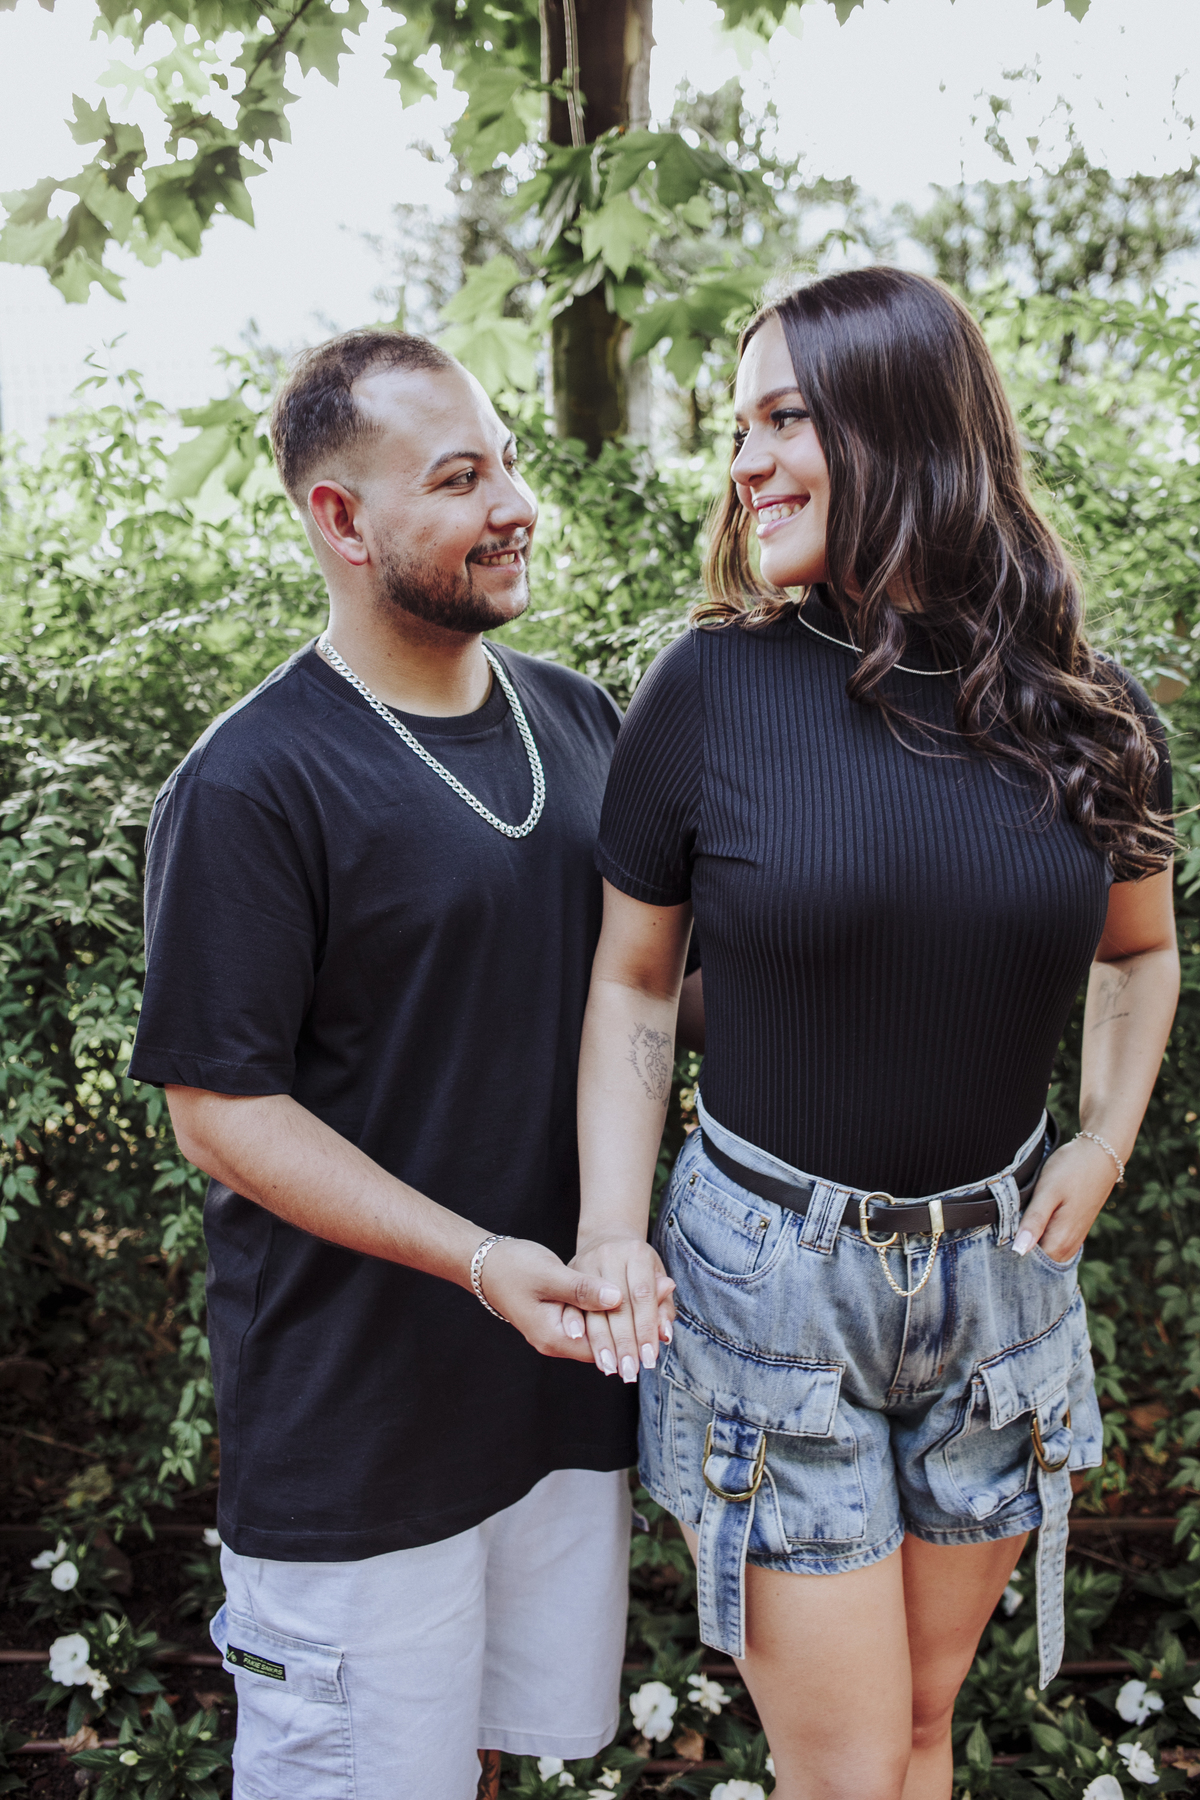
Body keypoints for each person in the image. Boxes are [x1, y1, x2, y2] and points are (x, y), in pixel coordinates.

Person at [569, 268, 1179, 1800]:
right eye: (738, 429)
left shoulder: (1087, 709)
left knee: (919, 1725)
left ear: (903, 427)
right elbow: (634, 982)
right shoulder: (708, 690)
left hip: (1002, 1285)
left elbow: (1141, 950)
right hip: (770, 1285)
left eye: (784, 420)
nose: (746, 463)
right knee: (845, 1766)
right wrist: (609, 1226)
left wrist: (1104, 1141)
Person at [128, 329, 684, 1800]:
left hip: (552, 1401)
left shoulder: (579, 719)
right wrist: (481, 1263)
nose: (514, 504)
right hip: (359, 1433)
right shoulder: (252, 782)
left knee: (488, 1765)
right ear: (341, 517)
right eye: (458, 479)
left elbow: (638, 995)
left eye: (509, 462)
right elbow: (222, 1113)